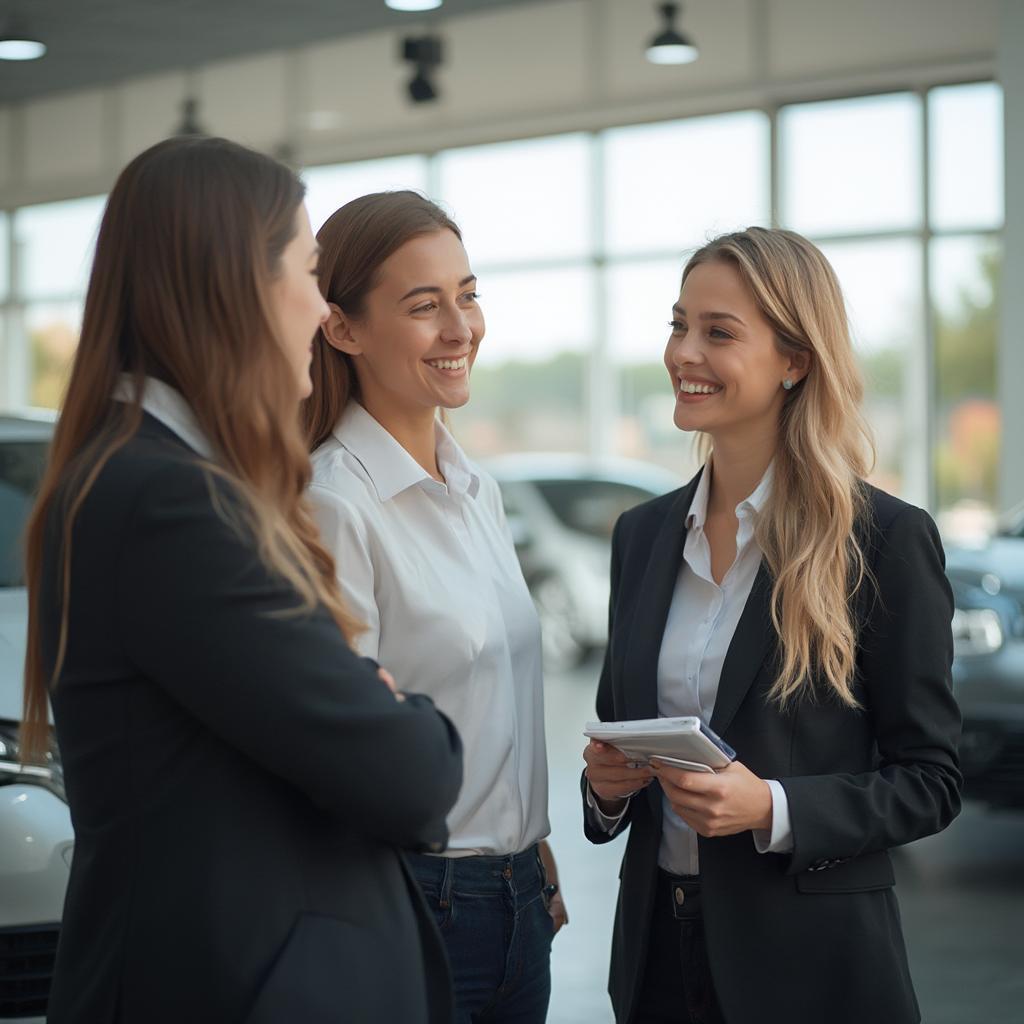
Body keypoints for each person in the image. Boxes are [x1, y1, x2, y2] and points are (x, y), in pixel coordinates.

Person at [20, 137, 463, 1024]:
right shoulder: (170, 504)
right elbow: (410, 774)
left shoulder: (157, 480)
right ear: (235, 285)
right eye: (306, 269)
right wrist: (404, 713)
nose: (317, 303)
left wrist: (364, 699)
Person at [581, 227, 962, 1024]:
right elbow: (625, 746)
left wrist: (772, 808)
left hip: (811, 970)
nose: (684, 352)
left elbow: (931, 780)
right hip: (657, 962)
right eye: (678, 324)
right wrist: (607, 790)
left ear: (794, 359)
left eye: (718, 332)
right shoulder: (643, 537)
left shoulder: (883, 541)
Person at [302, 190, 567, 1024]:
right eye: (424, 306)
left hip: (521, 890)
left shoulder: (475, 486)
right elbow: (342, 749)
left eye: (468, 294)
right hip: (419, 897)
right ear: (342, 329)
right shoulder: (333, 502)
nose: (461, 329)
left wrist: (533, 850)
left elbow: (489, 698)